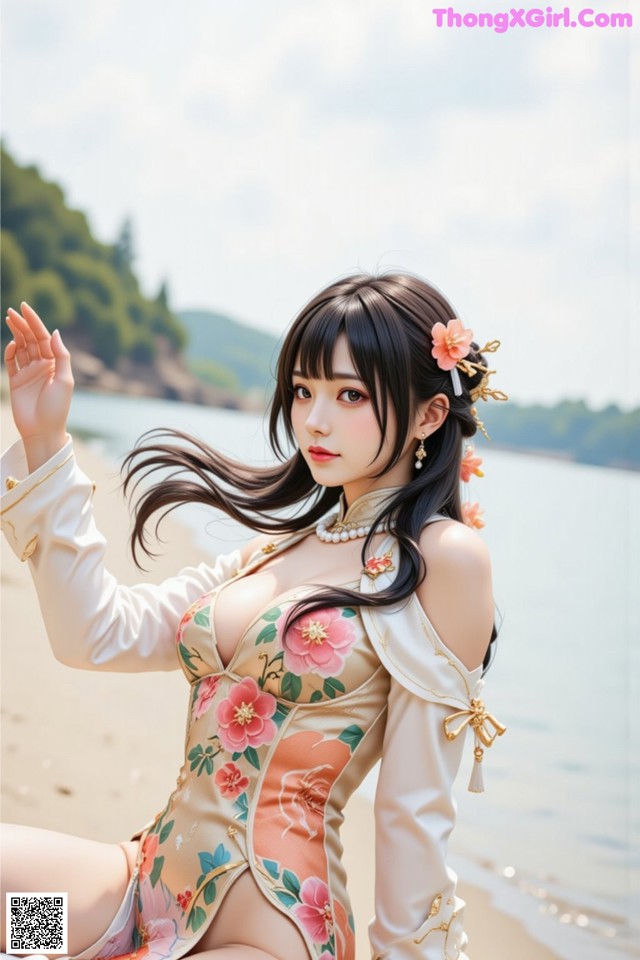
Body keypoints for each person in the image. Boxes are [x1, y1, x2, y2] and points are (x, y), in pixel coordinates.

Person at [0, 272, 506, 960]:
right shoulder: (272, 554)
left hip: (267, 932)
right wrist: (47, 440)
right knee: (16, 923)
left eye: (349, 394)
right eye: (304, 391)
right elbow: (95, 632)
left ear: (429, 415)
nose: (314, 420)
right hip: (137, 896)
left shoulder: (441, 562)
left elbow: (410, 812)